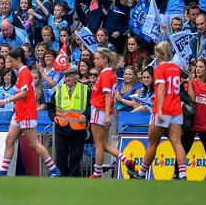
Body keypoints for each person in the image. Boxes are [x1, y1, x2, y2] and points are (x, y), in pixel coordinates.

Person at [0, 48, 61, 177]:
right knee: (9, 140)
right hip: (19, 113)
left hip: (26, 113)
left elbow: (24, 93)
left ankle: (53, 169)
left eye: (11, 61)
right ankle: (3, 171)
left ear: (18, 60)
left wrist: (6, 100)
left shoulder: (25, 73)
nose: (9, 63)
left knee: (34, 143)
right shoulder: (21, 73)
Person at [129, 42, 188, 180]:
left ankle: (142, 173)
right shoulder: (176, 68)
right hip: (176, 109)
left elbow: (161, 89)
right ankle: (183, 174)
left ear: (160, 54)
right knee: (177, 143)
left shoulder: (159, 69)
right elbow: (171, 88)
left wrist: (159, 109)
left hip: (163, 109)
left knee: (152, 143)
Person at [88, 48, 135, 178]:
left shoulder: (105, 74)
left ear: (105, 59)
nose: (94, 60)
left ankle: (97, 173)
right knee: (104, 144)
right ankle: (126, 160)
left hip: (100, 110)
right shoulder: (110, 74)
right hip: (104, 111)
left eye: (97, 58)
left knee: (98, 144)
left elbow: (108, 95)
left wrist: (107, 115)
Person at [178, 59, 206, 181]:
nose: (198, 69)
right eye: (197, 67)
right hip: (192, 123)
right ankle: (176, 174)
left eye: (201, 67)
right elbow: (191, 100)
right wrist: (190, 82)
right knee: (184, 149)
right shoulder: (191, 83)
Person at [46, 66, 90, 177]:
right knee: (61, 157)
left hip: (78, 128)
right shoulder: (58, 90)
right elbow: (50, 106)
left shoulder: (85, 89)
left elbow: (92, 105)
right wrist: (53, 117)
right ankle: (62, 179)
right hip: (62, 128)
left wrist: (85, 114)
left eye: (70, 76)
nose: (67, 78)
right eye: (66, 76)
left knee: (76, 157)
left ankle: (72, 179)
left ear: (76, 77)